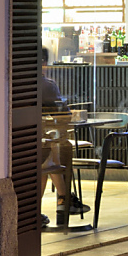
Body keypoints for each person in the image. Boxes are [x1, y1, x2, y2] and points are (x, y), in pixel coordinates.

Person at [41, 47, 89, 227]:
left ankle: (42, 209)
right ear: (44, 63)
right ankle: (64, 199)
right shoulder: (47, 85)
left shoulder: (14, 82)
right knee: (60, 148)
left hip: (24, 144)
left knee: (49, 152)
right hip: (40, 146)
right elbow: (64, 115)